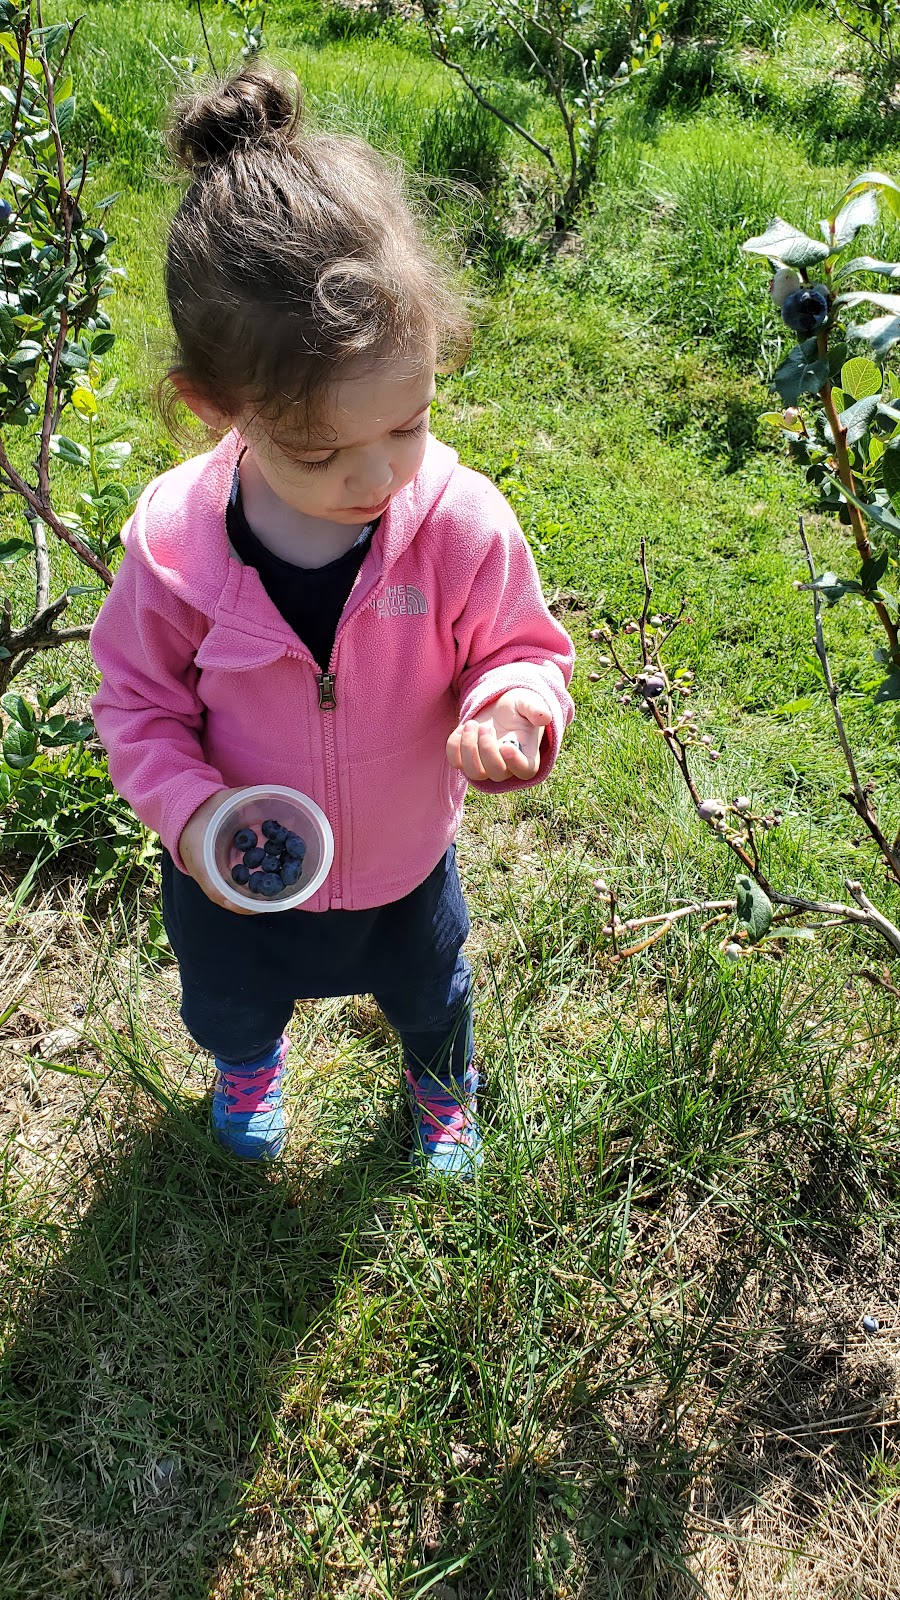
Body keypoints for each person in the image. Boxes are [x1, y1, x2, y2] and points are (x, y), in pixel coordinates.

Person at [89, 63, 575, 1178]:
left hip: (405, 857)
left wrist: (512, 707)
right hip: (233, 871)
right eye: (318, 451)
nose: (375, 476)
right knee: (231, 996)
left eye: (407, 425)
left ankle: (442, 1079)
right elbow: (138, 707)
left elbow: (520, 647)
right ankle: (248, 1066)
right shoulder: (174, 550)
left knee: (431, 984)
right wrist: (197, 821)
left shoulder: (456, 523)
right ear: (219, 408)